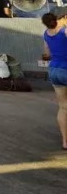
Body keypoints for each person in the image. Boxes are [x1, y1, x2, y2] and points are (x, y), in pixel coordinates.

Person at [40, 12, 67, 150]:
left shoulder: (46, 34)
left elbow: (47, 54)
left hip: (54, 71)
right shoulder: (65, 31)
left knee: (63, 107)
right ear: (58, 19)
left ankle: (65, 141)